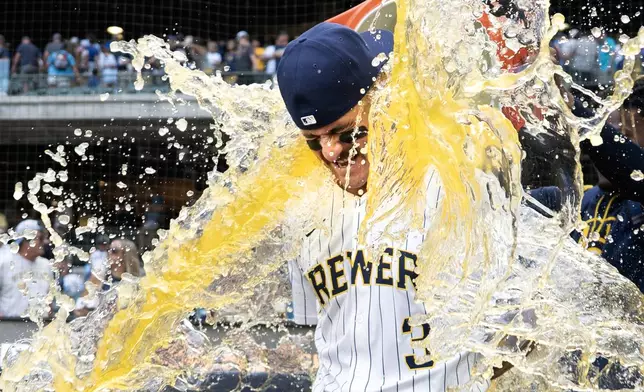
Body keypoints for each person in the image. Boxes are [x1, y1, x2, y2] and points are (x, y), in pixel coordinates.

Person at [277, 22, 490, 391]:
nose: (330, 152)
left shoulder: (454, 185)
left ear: (380, 103)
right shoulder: (300, 211)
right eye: (314, 141)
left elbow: (522, 331)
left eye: (347, 133)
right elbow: (327, 330)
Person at [0, 220, 53, 319]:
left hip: (38, 328)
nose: (45, 242)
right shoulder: (4, 261)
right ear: (27, 240)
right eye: (40, 238)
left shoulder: (46, 265)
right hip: (8, 326)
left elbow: (49, 299)